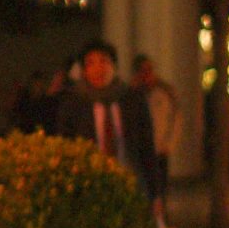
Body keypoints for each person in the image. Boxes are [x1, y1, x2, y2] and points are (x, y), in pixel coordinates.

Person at [56, 38, 157, 202]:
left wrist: (154, 194)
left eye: (104, 62)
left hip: (130, 185)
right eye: (91, 64)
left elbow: (147, 149)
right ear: (84, 71)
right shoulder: (73, 104)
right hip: (89, 189)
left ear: (114, 67)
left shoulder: (132, 100)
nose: (98, 69)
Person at [131, 52, 181, 207]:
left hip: (159, 151)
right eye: (142, 70)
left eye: (149, 69)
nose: (147, 74)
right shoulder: (133, 94)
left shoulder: (164, 92)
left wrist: (169, 144)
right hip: (140, 151)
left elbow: (176, 120)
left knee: (160, 191)